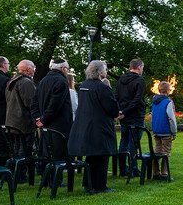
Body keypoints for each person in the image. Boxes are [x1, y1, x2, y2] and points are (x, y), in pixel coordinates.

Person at [68, 60, 120, 194]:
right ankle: (100, 185)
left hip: (87, 124)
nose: (106, 72)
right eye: (105, 69)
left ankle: (88, 183)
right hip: (100, 126)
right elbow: (112, 108)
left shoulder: (84, 85)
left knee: (91, 156)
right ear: (100, 72)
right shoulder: (102, 87)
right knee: (102, 156)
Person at [33, 58, 74, 161]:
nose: (68, 71)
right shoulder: (61, 81)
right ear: (63, 68)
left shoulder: (42, 81)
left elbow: (34, 102)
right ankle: (55, 176)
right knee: (57, 156)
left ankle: (47, 173)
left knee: (47, 153)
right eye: (68, 69)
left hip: (46, 124)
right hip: (58, 125)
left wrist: (38, 118)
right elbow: (54, 105)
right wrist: (43, 119)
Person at [5, 60, 37, 179]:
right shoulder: (25, 82)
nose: (34, 70)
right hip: (23, 122)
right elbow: (31, 103)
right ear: (28, 69)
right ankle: (20, 175)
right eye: (33, 68)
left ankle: (16, 174)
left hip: (12, 121)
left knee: (16, 149)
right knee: (24, 150)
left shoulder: (11, 81)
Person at [116, 59, 146, 177]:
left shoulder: (121, 80)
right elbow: (137, 99)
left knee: (124, 141)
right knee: (134, 142)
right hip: (135, 115)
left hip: (124, 114)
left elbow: (117, 96)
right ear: (139, 67)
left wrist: (120, 111)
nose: (142, 69)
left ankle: (123, 168)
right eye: (142, 67)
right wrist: (125, 111)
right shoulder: (139, 80)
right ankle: (133, 168)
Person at [151, 81, 177, 181]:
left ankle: (156, 173)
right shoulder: (168, 102)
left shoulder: (154, 101)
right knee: (166, 152)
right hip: (165, 130)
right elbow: (171, 118)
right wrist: (174, 131)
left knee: (157, 152)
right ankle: (164, 174)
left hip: (156, 130)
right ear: (168, 90)